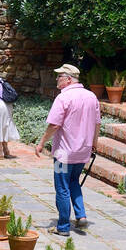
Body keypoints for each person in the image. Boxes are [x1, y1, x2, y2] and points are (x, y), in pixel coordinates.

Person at [34, 63, 100, 235]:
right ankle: (81, 215)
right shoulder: (91, 96)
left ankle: (63, 226)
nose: (56, 79)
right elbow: (97, 123)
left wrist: (41, 143)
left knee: (62, 186)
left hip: (63, 153)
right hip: (83, 150)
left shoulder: (63, 98)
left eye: (59, 76)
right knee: (74, 182)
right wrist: (95, 143)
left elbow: (54, 125)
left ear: (69, 79)